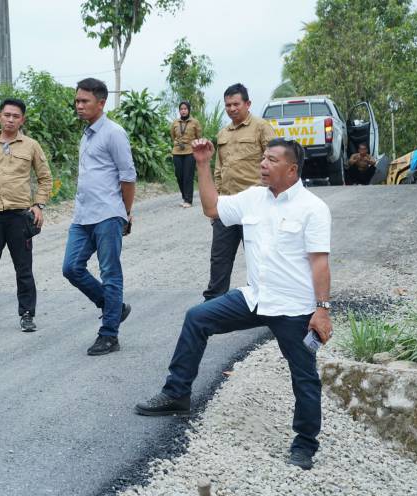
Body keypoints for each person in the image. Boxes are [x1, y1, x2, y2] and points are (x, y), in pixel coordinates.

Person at [135, 137, 333, 472]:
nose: (263, 165)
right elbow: (212, 208)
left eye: (271, 160)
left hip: (293, 308)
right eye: (263, 159)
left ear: (292, 169)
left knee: (304, 377)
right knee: (197, 318)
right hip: (255, 297)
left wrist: (322, 309)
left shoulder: (313, 208)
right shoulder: (254, 198)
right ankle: (177, 394)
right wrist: (202, 163)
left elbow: (319, 263)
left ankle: (305, 444)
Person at [62, 78, 136, 356]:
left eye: (85, 101)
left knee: (110, 274)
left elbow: (127, 177)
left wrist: (125, 213)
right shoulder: (87, 133)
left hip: (107, 214)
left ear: (101, 103)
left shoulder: (114, 133)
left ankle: (109, 335)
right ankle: (114, 307)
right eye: (77, 101)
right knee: (71, 268)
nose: (79, 106)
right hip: (83, 216)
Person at [0, 98, 53, 334]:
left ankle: (27, 314)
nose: (10, 119)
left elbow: (45, 178)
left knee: (23, 268)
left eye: (16, 116)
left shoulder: (31, 146)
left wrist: (39, 205)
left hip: (19, 216)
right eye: (7, 115)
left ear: (22, 119)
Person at [203, 83, 276, 301]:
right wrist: (216, 202)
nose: (232, 109)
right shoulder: (223, 133)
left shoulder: (262, 127)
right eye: (228, 105)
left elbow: (275, 160)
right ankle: (213, 303)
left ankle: (265, 301)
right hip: (227, 204)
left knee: (259, 257)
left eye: (236, 104)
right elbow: (219, 169)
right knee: (219, 257)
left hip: (256, 204)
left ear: (247, 104)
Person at [170, 101, 202, 208]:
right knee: (179, 175)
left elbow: (199, 136)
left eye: (185, 109)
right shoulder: (175, 123)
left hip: (190, 151)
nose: (183, 111)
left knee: (188, 176)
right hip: (177, 151)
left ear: (189, 110)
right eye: (181, 109)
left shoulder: (195, 122)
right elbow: (173, 136)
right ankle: (184, 197)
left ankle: (188, 200)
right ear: (179, 111)